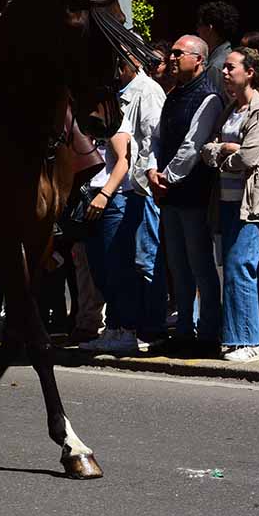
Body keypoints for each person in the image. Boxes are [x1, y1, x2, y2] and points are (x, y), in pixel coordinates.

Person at [80, 55, 166, 355]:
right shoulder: (95, 112)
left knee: (119, 267)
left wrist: (105, 194)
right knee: (101, 269)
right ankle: (114, 327)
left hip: (116, 197)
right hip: (93, 197)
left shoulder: (116, 114)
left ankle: (127, 329)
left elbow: (124, 161)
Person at [147, 35, 224, 357]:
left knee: (200, 264)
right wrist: (152, 171)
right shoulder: (174, 94)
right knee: (177, 266)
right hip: (169, 195)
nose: (172, 58)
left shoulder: (209, 97)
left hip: (193, 194)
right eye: (172, 53)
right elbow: (157, 137)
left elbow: (193, 144)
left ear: (199, 59)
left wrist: (167, 177)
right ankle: (183, 330)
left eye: (179, 53)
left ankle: (208, 332)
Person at [201, 48, 259, 363]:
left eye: (231, 67)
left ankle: (250, 341)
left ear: (250, 72)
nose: (224, 72)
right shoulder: (230, 108)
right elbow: (206, 148)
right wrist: (225, 148)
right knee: (232, 270)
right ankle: (235, 339)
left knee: (241, 268)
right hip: (226, 201)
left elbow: (248, 157)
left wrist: (223, 153)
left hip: (251, 203)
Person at [196, 0, 238, 94]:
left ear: (209, 28)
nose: (197, 30)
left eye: (199, 25)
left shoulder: (216, 67)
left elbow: (214, 100)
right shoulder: (228, 54)